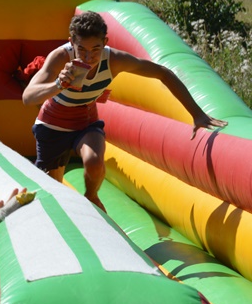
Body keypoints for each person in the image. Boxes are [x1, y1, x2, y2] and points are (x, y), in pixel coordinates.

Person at [22, 11, 228, 212]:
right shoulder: (60, 57)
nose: (88, 57)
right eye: (81, 49)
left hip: (85, 121)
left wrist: (197, 113)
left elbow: (163, 73)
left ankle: (92, 198)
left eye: (95, 49)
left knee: (94, 161)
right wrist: (59, 84)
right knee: (52, 189)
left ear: (105, 42)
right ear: (71, 42)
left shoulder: (114, 60)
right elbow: (28, 97)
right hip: (53, 124)